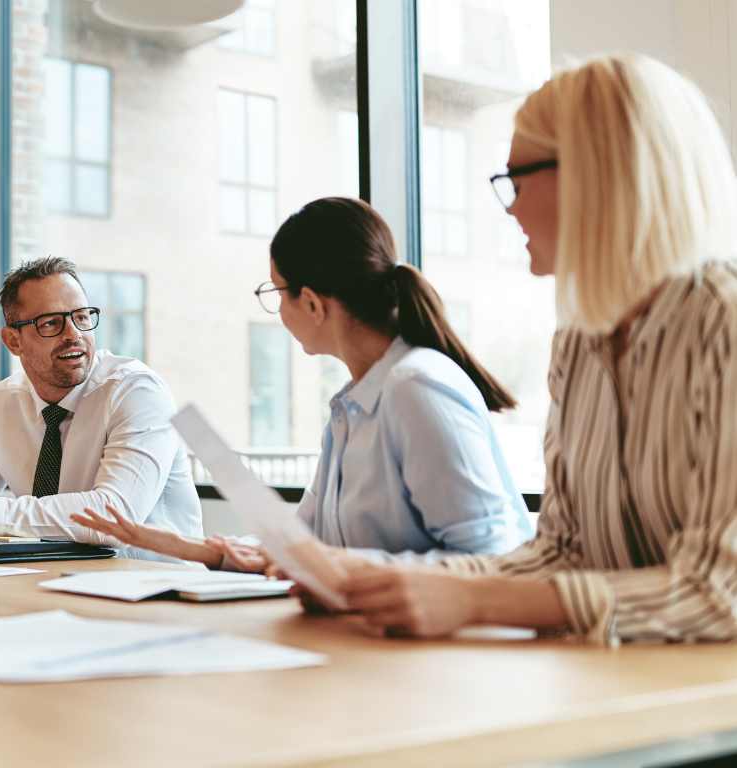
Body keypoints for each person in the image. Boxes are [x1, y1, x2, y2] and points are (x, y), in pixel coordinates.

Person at [297, 53, 737, 645]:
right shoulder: (579, 344)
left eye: (516, 179)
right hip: (619, 686)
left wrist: (475, 600)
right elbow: (559, 554)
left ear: (595, 174)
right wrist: (381, 578)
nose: (510, 208)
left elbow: (719, 593)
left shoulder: (724, 324)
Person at [74, 197, 532, 568]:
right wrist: (193, 548)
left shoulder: (417, 389)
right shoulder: (349, 408)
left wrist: (344, 567)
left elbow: (490, 560)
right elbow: (307, 547)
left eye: (275, 292)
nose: (277, 312)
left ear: (312, 303)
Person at [0, 256, 203, 562]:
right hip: (56, 582)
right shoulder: (4, 402)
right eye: (51, 323)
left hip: (157, 592)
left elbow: (113, 515)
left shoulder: (137, 392)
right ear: (13, 342)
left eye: (81, 317)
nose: (74, 334)